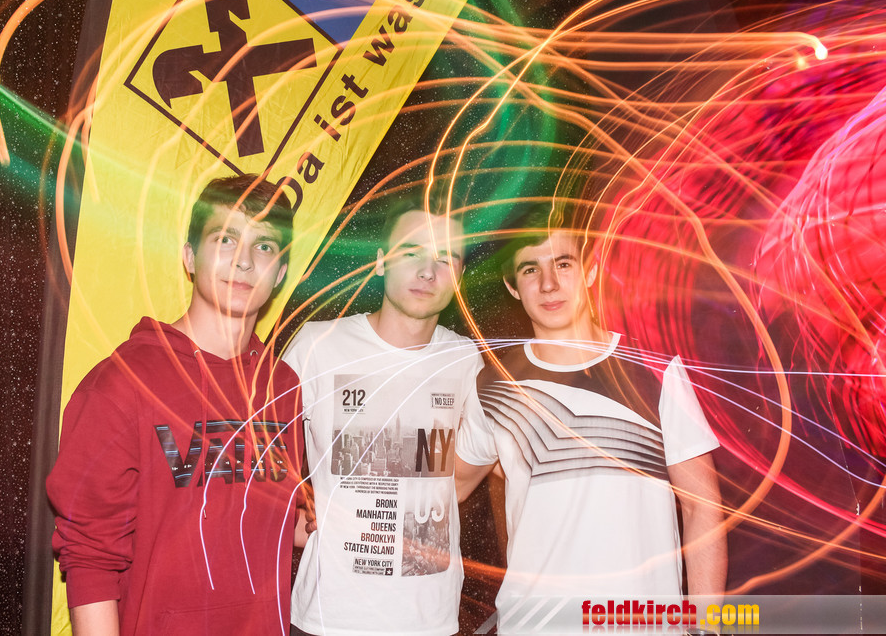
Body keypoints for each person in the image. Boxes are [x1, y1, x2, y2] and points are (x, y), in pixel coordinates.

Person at [47, 174, 303, 635]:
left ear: (280, 272)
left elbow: (278, 521)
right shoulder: (122, 385)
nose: (244, 261)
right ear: (189, 256)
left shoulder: (285, 387)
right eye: (225, 239)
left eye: (264, 246)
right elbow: (90, 558)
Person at [455, 206, 727, 633]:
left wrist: (707, 627)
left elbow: (701, 508)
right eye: (530, 269)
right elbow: (449, 486)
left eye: (563, 264)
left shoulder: (654, 369)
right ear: (512, 285)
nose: (549, 284)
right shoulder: (493, 384)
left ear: (591, 270)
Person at [282, 194, 483, 635]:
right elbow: (260, 449)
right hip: (328, 618)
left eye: (445, 258)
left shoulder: (466, 360)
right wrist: (288, 515)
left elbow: (470, 473)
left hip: (428, 621)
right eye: (411, 252)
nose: (427, 271)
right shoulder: (318, 346)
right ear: (379, 262)